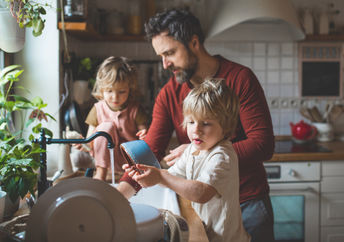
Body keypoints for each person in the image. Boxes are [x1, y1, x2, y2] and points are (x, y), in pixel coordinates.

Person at [117, 8, 275, 242]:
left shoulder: (240, 79)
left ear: (193, 43)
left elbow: (262, 144)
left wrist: (200, 153)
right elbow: (149, 151)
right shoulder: (170, 92)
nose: (165, 64)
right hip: (201, 209)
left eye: (170, 53)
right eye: (161, 55)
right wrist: (117, 196)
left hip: (246, 204)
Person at [126, 79, 250, 242]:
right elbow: (173, 177)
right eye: (191, 122)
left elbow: (201, 193)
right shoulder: (193, 149)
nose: (196, 130)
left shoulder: (222, 156)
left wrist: (162, 176)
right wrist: (148, 175)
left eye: (205, 123)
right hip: (208, 233)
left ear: (225, 127)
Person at [78, 56, 148, 181]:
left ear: (130, 89)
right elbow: (90, 142)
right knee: (105, 127)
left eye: (121, 91)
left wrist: (145, 135)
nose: (115, 97)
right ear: (102, 89)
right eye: (109, 91)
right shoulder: (97, 109)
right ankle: (100, 174)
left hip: (131, 161)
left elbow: (146, 136)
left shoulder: (135, 109)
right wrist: (82, 143)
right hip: (106, 163)